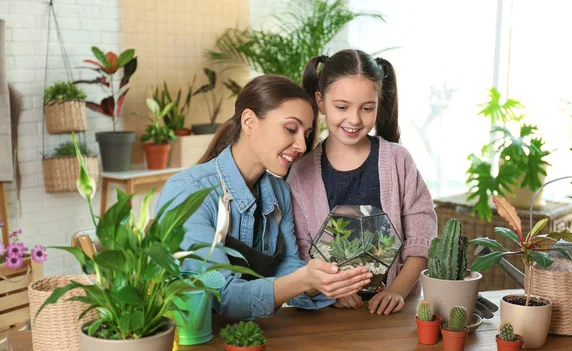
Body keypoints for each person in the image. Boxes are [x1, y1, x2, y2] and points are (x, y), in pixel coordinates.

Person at [156, 75, 373, 321]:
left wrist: (322, 283)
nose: (301, 145)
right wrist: (303, 279)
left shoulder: (278, 192)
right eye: (291, 129)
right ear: (249, 122)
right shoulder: (189, 193)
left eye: (307, 133)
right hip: (195, 342)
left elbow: (287, 266)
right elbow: (220, 293)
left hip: (255, 336)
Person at [287, 49, 437, 315]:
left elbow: (422, 236)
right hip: (328, 316)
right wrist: (330, 291)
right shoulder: (301, 173)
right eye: (342, 107)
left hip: (394, 313)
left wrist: (397, 291)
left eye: (367, 108)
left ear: (379, 103)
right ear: (320, 102)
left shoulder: (398, 161)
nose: (354, 119)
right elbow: (299, 251)